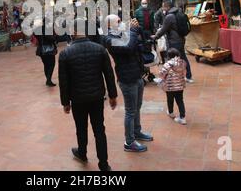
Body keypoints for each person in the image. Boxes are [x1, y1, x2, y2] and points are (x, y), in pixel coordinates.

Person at [58, 18, 118, 171]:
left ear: (73, 31)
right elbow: (109, 74)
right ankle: (104, 164)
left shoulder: (65, 54)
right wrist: (113, 95)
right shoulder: (99, 49)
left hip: (77, 99)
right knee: (99, 130)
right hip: (97, 96)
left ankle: (82, 152)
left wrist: (65, 102)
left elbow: (63, 81)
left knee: (81, 127)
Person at [104, 14, 152, 153]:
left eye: (120, 20)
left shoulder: (123, 33)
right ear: (108, 26)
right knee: (131, 111)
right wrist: (132, 30)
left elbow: (140, 42)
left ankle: (137, 132)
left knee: (138, 106)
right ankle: (129, 141)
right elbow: (128, 47)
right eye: (117, 22)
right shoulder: (109, 39)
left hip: (137, 74)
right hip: (127, 78)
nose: (120, 23)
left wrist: (137, 27)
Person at [152, 0, 194, 83]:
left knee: (169, 59)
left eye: (163, 7)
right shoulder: (179, 12)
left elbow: (163, 29)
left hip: (173, 41)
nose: (162, 9)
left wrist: (155, 36)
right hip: (181, 39)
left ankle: (162, 78)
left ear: (167, 7)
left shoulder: (169, 16)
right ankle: (189, 76)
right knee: (183, 58)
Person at [159, 48, 187, 125]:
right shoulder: (183, 62)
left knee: (170, 99)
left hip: (170, 86)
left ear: (168, 56)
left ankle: (171, 113)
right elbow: (184, 73)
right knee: (180, 101)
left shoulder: (167, 64)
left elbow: (162, 74)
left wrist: (162, 78)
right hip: (180, 86)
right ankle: (182, 118)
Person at [33, 18, 58, 87]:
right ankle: (48, 80)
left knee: (46, 65)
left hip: (41, 49)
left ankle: (48, 79)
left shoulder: (38, 29)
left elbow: (34, 34)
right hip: (48, 49)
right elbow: (50, 38)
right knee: (51, 65)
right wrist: (55, 37)